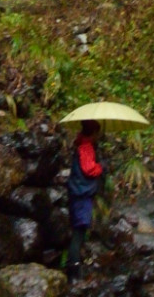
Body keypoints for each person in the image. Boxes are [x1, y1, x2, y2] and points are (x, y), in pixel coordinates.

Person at [66, 118, 105, 282]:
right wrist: (101, 166)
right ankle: (73, 273)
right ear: (93, 133)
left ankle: (75, 268)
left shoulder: (82, 145)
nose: (98, 136)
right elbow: (89, 170)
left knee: (79, 230)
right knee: (79, 232)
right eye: (97, 133)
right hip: (81, 195)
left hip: (78, 194)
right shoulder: (86, 147)